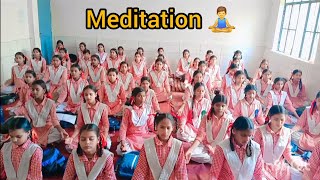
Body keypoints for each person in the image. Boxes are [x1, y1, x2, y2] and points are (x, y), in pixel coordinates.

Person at [254, 105, 304, 179]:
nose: (279, 123)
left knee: (302, 174)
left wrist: (296, 166)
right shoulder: (260, 131)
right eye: (276, 119)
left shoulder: (287, 133)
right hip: (262, 166)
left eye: (282, 120)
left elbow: (287, 154)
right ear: (270, 117)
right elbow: (256, 154)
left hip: (279, 167)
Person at [132, 113, 188, 180]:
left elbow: (181, 171)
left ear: (172, 128)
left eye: (168, 128)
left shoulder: (178, 146)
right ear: (156, 127)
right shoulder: (147, 145)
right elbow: (141, 170)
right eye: (162, 127)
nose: (165, 131)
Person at [14, 80, 69, 147]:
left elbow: (54, 119)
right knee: (21, 133)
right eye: (33, 89)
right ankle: (42, 142)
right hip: (34, 129)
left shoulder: (51, 103)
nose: (34, 92)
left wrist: (61, 130)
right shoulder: (27, 104)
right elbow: (27, 120)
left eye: (37, 89)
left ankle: (37, 142)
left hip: (48, 129)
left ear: (44, 90)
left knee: (60, 134)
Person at [185, 91, 233, 164]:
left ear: (226, 106)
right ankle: (216, 160)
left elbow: (232, 138)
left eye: (223, 106)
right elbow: (200, 136)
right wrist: (190, 150)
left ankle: (216, 159)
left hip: (221, 148)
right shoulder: (206, 118)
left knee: (229, 155)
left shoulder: (229, 120)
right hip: (206, 146)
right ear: (213, 105)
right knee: (192, 153)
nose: (220, 108)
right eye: (217, 105)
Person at [65, 85, 110, 149]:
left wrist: (104, 138)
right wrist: (72, 138)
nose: (88, 97)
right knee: (69, 146)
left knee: (105, 145)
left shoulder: (103, 107)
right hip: (85, 133)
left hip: (99, 133)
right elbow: (79, 126)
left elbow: (106, 126)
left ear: (96, 94)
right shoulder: (82, 107)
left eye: (91, 94)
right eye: (86, 95)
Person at [117, 87, 155, 155]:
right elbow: (123, 127)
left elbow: (151, 125)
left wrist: (159, 133)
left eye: (144, 96)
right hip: (132, 138)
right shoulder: (128, 110)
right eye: (139, 96)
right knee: (120, 150)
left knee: (157, 143)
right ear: (134, 98)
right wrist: (122, 141)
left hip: (144, 136)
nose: (142, 98)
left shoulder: (148, 109)